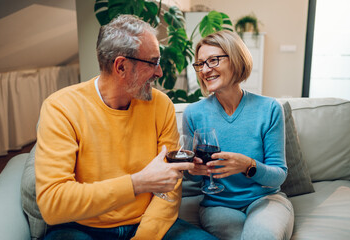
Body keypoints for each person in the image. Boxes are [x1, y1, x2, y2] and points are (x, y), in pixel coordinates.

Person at [35, 15, 218, 240]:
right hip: (82, 228)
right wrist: (137, 183)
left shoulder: (160, 105)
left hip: (149, 222)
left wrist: (145, 237)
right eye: (153, 62)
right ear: (121, 66)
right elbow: (53, 204)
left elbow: (170, 184)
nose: (159, 73)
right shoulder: (61, 108)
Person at [182, 30, 294, 239]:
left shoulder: (269, 108)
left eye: (213, 60)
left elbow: (279, 174)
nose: (205, 70)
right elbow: (191, 173)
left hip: (265, 199)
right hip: (217, 205)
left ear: (235, 59)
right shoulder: (193, 113)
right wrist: (194, 169)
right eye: (200, 64)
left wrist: (247, 166)